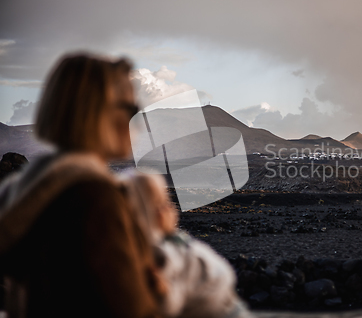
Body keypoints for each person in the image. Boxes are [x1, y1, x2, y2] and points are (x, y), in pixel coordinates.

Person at [0, 53, 164, 318]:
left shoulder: (26, 185)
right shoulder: (95, 198)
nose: (137, 121)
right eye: (131, 109)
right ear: (95, 113)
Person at [120, 172, 252, 318]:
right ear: (143, 214)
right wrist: (163, 290)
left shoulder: (168, 243)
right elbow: (168, 301)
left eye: (168, 201)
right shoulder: (160, 255)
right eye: (160, 204)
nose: (170, 208)